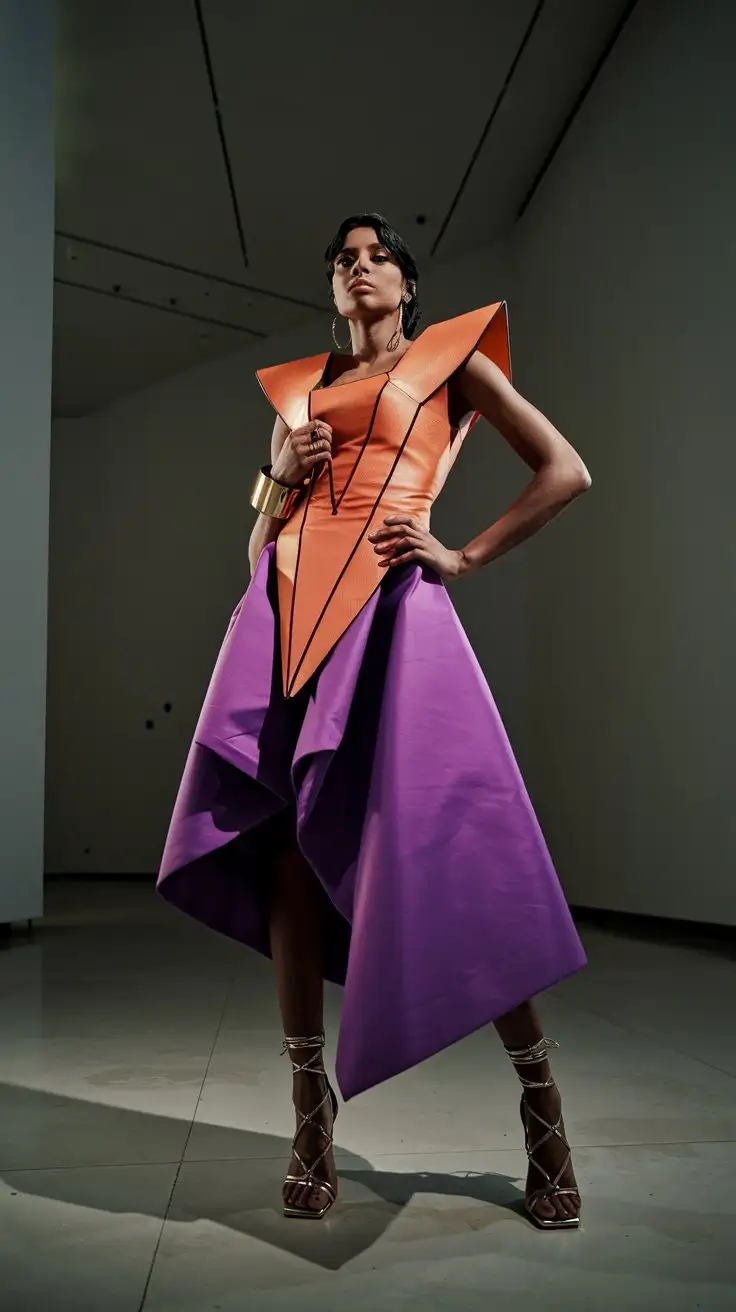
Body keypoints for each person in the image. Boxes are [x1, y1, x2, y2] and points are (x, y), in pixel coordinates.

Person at [157, 212, 591, 1230]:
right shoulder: (297, 396)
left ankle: (541, 1108)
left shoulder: (451, 364)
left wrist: (461, 555)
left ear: (403, 282)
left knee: (452, 857)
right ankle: (310, 1111)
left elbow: (564, 468)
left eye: (375, 255)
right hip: (288, 623)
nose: (358, 267)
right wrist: (284, 475)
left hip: (394, 620)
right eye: (341, 260)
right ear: (333, 291)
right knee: (290, 853)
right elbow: (257, 542)